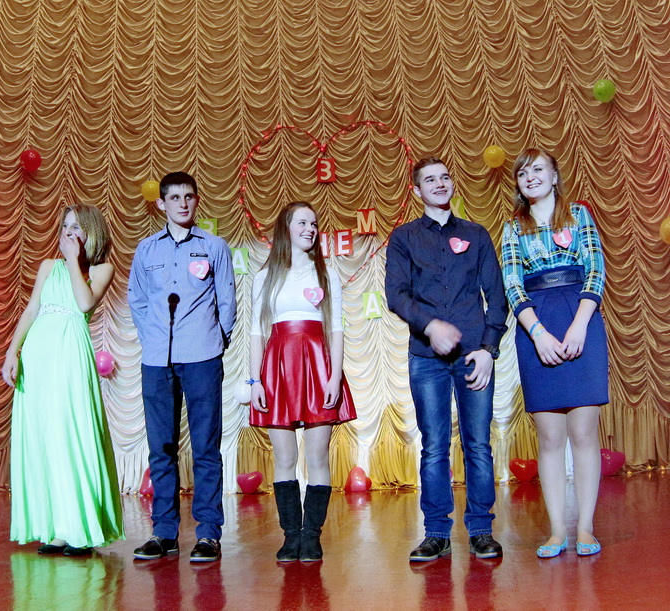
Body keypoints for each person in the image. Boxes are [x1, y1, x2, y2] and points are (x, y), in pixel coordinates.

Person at [385, 157, 508, 562]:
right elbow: (396, 295)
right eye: (429, 180)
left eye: (444, 177)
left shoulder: (476, 234)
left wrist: (489, 349)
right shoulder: (403, 237)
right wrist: (431, 325)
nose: (439, 183)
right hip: (426, 358)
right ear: (416, 191)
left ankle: (481, 530)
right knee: (434, 447)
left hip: (474, 356)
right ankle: (436, 532)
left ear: (452, 185)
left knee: (478, 445)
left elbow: (497, 297)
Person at [501, 148, 608, 558]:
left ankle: (586, 528)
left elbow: (595, 270)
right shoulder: (513, 228)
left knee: (583, 433)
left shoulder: (579, 215)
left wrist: (580, 325)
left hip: (581, 317)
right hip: (537, 326)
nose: (530, 177)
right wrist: (538, 334)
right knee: (549, 437)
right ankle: (557, 530)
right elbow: (513, 285)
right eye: (523, 173)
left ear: (554, 176)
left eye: (538, 169)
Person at [3, 203, 124, 556]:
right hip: (39, 353)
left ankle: (81, 528)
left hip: (70, 353)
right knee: (46, 438)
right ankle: (56, 528)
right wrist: (13, 351)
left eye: (77, 227)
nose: (69, 232)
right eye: (65, 226)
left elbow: (84, 304)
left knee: (72, 434)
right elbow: (31, 309)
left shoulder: (101, 269)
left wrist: (73, 260)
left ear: (92, 232)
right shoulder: (47, 266)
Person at [129, 171, 237, 563]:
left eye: (189, 197)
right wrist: (153, 340)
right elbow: (138, 301)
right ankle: (164, 532)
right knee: (161, 449)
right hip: (157, 361)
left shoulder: (214, 246)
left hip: (202, 357)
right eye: (174, 198)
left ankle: (208, 533)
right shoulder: (146, 250)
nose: (182, 204)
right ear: (161, 204)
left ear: (197, 200)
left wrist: (215, 341)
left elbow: (227, 301)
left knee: (206, 447)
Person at [249, 202, 356, 562]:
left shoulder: (326, 275)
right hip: (277, 370)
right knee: (284, 457)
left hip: (317, 368)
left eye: (314, 223)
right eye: (302, 222)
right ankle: (290, 536)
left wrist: (334, 376)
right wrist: (255, 381)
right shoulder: (265, 276)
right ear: (286, 228)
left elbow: (336, 329)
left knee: (317, 456)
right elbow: (256, 332)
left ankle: (311, 536)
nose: (310, 228)